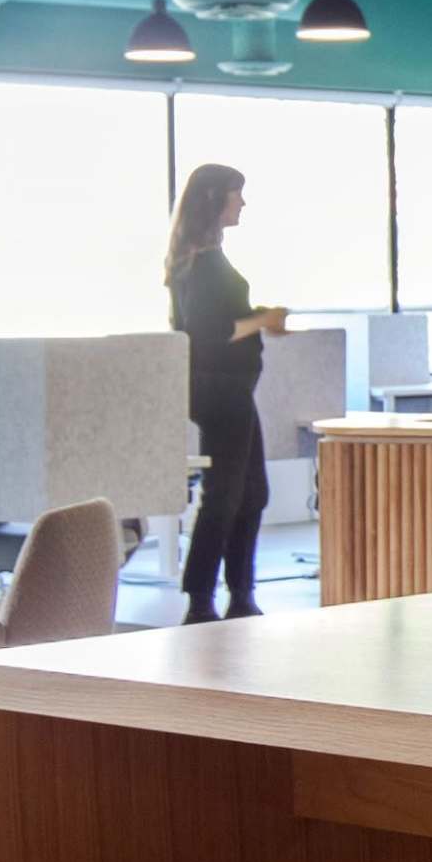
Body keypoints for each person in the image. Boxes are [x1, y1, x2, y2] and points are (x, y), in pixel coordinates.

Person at [164, 162, 285, 621]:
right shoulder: (202, 262)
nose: (243, 203)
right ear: (217, 198)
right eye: (238, 194)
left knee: (250, 491)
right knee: (226, 493)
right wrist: (264, 320)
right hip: (221, 391)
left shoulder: (197, 257)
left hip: (227, 389)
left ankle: (239, 593)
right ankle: (201, 599)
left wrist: (258, 318)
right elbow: (211, 332)